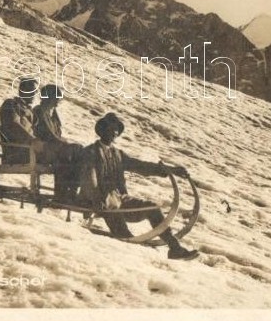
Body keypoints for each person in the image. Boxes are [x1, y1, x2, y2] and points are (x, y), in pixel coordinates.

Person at [77, 113, 199, 260]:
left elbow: (140, 166)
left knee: (152, 208)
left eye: (116, 130)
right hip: (100, 202)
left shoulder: (117, 154)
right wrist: (97, 200)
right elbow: (89, 179)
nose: (114, 133)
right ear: (102, 130)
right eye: (110, 129)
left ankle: (174, 247)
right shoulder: (91, 152)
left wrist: (169, 170)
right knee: (125, 237)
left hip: (119, 199)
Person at [33, 84, 82, 202]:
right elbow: (48, 135)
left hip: (53, 149)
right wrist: (65, 144)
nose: (57, 102)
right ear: (48, 98)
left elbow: (57, 135)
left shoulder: (52, 114)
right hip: (42, 150)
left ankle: (71, 191)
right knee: (70, 152)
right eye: (56, 99)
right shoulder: (39, 112)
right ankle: (61, 193)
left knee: (79, 152)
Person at [0, 77, 43, 164]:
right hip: (15, 154)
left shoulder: (29, 110)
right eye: (31, 90)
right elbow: (13, 126)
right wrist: (34, 141)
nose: (34, 93)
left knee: (65, 156)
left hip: (28, 150)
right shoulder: (11, 104)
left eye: (35, 91)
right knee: (59, 157)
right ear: (21, 91)